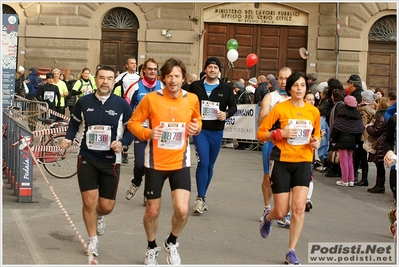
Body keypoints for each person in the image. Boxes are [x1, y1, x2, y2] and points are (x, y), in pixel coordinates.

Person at [127, 58, 202, 265]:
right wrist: (149, 133)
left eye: (177, 76)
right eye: (169, 76)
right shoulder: (151, 99)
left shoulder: (192, 99)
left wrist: (197, 128)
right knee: (152, 211)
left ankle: (172, 242)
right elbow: (133, 123)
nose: (173, 80)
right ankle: (151, 247)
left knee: (183, 209)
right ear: (162, 78)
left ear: (183, 78)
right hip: (155, 163)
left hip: (180, 162)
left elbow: (197, 120)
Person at [60, 66, 134, 257]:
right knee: (88, 200)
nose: (105, 82)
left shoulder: (121, 104)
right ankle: (92, 239)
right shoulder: (84, 102)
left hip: (111, 160)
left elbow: (132, 128)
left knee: (106, 206)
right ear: (96, 79)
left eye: (109, 78)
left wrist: (123, 143)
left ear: (113, 81)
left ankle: (99, 216)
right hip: (87, 158)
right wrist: (68, 138)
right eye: (102, 78)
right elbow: (75, 123)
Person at [257, 71, 321, 264]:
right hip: (282, 161)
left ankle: (291, 250)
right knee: (282, 211)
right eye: (296, 86)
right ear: (289, 88)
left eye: (302, 86)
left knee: (299, 208)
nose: (299, 89)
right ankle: (269, 218)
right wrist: (280, 133)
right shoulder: (280, 109)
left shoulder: (313, 112)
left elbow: (315, 135)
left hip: (303, 160)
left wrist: (316, 141)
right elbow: (261, 133)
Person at [188, 57, 237, 214]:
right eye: (210, 67)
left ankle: (203, 197)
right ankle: (200, 198)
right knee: (203, 162)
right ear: (205, 70)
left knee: (210, 165)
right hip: (200, 130)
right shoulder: (195, 86)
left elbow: (234, 107)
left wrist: (226, 113)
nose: (212, 70)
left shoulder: (226, 88)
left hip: (216, 131)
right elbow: (186, 102)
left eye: (215, 68)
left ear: (219, 71)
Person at [125, 58, 164, 204]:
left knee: (152, 165)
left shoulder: (162, 87)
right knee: (140, 164)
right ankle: (136, 182)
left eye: (155, 69)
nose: (152, 71)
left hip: (157, 131)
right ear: (144, 71)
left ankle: (148, 193)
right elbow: (126, 105)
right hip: (140, 131)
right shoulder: (135, 87)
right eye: (149, 69)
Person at [257, 67, 291, 225]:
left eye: (287, 78)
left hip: (292, 145)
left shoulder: (297, 99)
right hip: (272, 143)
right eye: (281, 78)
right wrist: (274, 111)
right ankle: (266, 207)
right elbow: (260, 122)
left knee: (289, 179)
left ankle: (286, 211)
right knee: (268, 178)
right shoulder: (270, 97)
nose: (284, 82)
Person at [330, 95, 364, 187]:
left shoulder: (341, 114)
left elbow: (335, 129)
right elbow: (359, 130)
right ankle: (351, 179)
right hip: (353, 142)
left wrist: (334, 140)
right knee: (350, 160)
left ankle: (344, 180)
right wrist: (357, 142)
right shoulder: (357, 115)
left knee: (343, 160)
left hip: (342, 141)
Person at [366, 97, 391, 193]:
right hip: (382, 142)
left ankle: (380, 185)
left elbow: (376, 131)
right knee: (379, 164)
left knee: (379, 164)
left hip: (379, 143)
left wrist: (368, 127)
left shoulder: (381, 117)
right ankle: (379, 185)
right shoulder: (387, 116)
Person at [353, 90, 378, 186]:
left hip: (363, 136)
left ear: (365, 98)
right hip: (370, 136)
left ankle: (363, 178)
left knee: (360, 157)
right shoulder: (375, 108)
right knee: (361, 157)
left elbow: (362, 124)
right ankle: (361, 177)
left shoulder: (363, 109)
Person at [233, 81, 251, 150]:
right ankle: (240, 143)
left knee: (242, 129)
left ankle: (242, 144)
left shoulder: (244, 94)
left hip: (243, 115)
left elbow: (246, 104)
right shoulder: (238, 94)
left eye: (236, 88)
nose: (234, 89)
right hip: (239, 114)